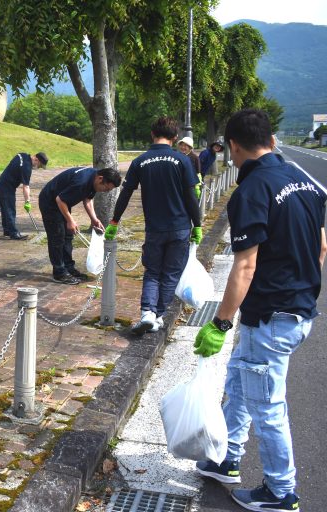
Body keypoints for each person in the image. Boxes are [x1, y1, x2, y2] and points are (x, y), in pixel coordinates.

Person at [193, 108, 326, 511]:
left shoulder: (253, 190)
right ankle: (226, 458)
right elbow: (321, 247)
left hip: (271, 317)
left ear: (234, 146)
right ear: (269, 138)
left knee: (268, 406)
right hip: (295, 310)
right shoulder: (307, 182)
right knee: (237, 382)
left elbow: (245, 265)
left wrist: (220, 321)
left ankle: (281, 492)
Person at [104, 116, 202, 335]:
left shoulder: (140, 161)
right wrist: (197, 225)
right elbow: (190, 198)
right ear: (175, 137)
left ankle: (147, 313)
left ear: (152, 134)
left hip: (154, 229)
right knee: (170, 274)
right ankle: (157, 316)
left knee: (152, 272)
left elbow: (126, 193)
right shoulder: (182, 160)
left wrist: (114, 221)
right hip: (180, 228)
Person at [39, 167, 121, 284]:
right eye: (106, 188)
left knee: (68, 236)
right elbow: (59, 200)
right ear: (100, 178)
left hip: (62, 203)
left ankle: (68, 267)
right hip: (50, 202)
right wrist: (70, 220)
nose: (105, 191)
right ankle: (59, 272)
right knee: (57, 237)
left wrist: (94, 219)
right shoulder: (81, 182)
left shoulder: (94, 179)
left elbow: (87, 199)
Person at [0, 151, 48, 240]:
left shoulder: (22, 155)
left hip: (2, 184)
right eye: (39, 165)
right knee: (10, 210)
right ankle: (14, 234)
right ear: (36, 159)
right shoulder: (27, 167)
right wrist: (27, 201)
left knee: (6, 209)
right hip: (6, 187)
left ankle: (7, 231)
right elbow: (26, 186)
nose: (38, 167)